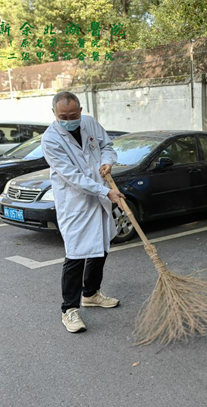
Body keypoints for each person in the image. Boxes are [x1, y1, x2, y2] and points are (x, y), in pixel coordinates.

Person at [42, 91, 125, 333]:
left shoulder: (89, 122)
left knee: (100, 246)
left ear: (80, 109)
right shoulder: (50, 140)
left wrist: (108, 161)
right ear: (54, 114)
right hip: (75, 201)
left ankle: (90, 293)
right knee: (76, 254)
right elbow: (72, 177)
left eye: (73, 114)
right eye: (63, 116)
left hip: (98, 196)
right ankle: (69, 309)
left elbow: (106, 146)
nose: (69, 119)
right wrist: (105, 191)